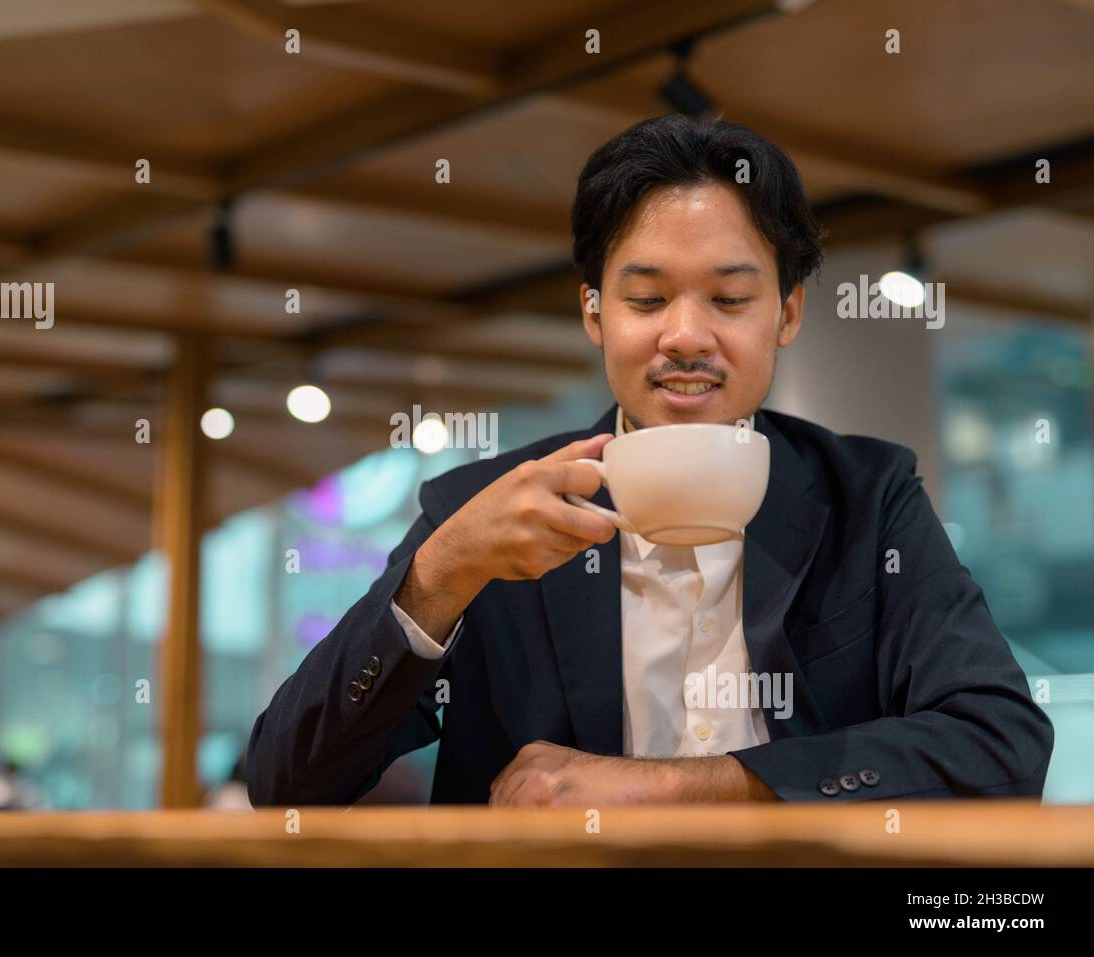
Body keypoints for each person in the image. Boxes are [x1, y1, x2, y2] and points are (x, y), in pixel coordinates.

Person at [246, 114, 1054, 807]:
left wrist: (664, 787)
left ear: (789, 312)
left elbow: (1001, 743)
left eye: (730, 299)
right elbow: (287, 778)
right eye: (646, 298)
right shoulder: (484, 511)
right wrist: (444, 571)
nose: (686, 336)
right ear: (594, 314)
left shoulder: (869, 498)